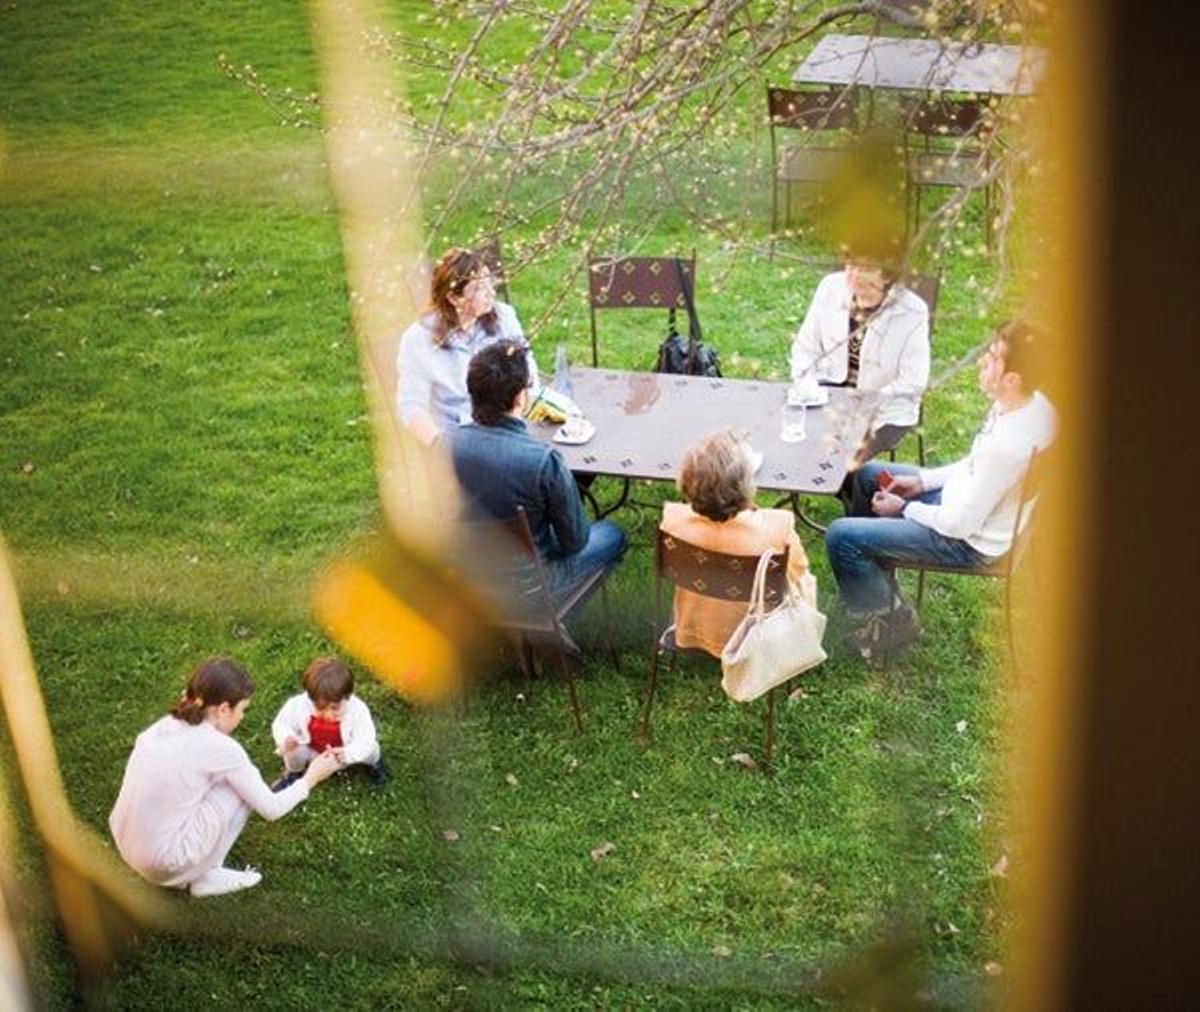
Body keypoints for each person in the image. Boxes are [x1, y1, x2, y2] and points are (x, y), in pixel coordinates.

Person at [825, 320, 1057, 661]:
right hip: (970, 506)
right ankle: (871, 582)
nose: (982, 362)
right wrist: (923, 482)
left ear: (1012, 379)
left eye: (992, 359)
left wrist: (903, 508)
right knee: (868, 476)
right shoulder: (1033, 406)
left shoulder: (1007, 448)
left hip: (969, 541)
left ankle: (894, 619)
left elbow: (958, 525)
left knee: (840, 536)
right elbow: (975, 463)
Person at [109, 657, 340, 898]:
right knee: (240, 790)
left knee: (220, 780)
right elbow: (271, 808)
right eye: (242, 709)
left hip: (125, 840)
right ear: (223, 709)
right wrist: (311, 777)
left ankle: (200, 867)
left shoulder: (163, 726)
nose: (242, 717)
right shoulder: (223, 750)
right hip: (161, 864)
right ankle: (208, 874)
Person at [449, 339, 626, 606]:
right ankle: (553, 626)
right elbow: (575, 542)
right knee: (613, 534)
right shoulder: (543, 461)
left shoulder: (445, 446)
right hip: (531, 587)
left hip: (468, 580)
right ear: (521, 397)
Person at [661, 429, 819, 656]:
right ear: (745, 483)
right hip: (757, 637)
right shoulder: (778, 527)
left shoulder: (672, 520)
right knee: (805, 580)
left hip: (694, 628)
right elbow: (799, 570)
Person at [790, 255, 930, 464]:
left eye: (865, 268)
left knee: (841, 458)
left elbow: (913, 381)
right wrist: (806, 384)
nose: (853, 274)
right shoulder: (830, 288)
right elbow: (804, 347)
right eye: (850, 264)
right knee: (794, 436)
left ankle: (862, 493)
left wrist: (867, 402)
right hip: (829, 394)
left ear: (887, 274)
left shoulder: (911, 310)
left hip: (885, 408)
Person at [396, 246, 537, 444]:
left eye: (490, 282)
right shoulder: (418, 339)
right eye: (479, 288)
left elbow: (528, 372)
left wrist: (518, 421)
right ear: (454, 298)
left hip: (507, 429)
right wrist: (440, 446)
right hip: (454, 438)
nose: (491, 293)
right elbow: (411, 405)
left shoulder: (504, 317)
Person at [270, 656, 387, 790]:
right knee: (292, 750)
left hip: (343, 752)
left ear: (347, 697)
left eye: (335, 708)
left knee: (371, 748)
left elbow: (365, 738)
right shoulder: (298, 705)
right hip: (313, 751)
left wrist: (348, 753)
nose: (327, 714)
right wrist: (287, 738)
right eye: (320, 707)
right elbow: (281, 723)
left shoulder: (357, 710)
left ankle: (375, 764)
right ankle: (294, 772)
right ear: (310, 697)